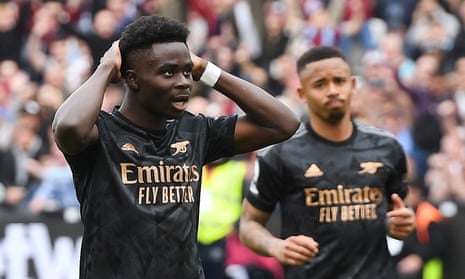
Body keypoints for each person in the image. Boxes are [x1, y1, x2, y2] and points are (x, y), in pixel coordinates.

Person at [51, 14, 299, 279]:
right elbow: (68, 128)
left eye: (187, 71)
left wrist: (206, 70)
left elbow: (283, 123)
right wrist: (105, 68)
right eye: (168, 72)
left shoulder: (195, 131)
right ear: (132, 79)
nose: (183, 82)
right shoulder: (102, 133)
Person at [238, 46, 416, 278]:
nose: (332, 90)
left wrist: (402, 225)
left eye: (339, 81)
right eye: (320, 84)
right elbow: (249, 224)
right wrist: (276, 246)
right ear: (302, 94)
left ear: (352, 85)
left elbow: (400, 213)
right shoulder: (279, 154)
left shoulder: (386, 147)